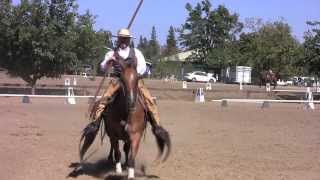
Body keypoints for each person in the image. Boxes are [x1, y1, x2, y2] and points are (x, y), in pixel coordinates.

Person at [90, 28, 160, 127]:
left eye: (125, 39)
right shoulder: (111, 53)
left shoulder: (136, 52)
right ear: (117, 39)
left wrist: (132, 76)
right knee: (104, 99)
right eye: (121, 38)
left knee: (149, 100)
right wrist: (108, 61)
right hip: (118, 81)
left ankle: (157, 126)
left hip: (134, 81)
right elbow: (102, 68)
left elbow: (143, 67)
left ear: (129, 40)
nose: (123, 41)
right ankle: (95, 123)